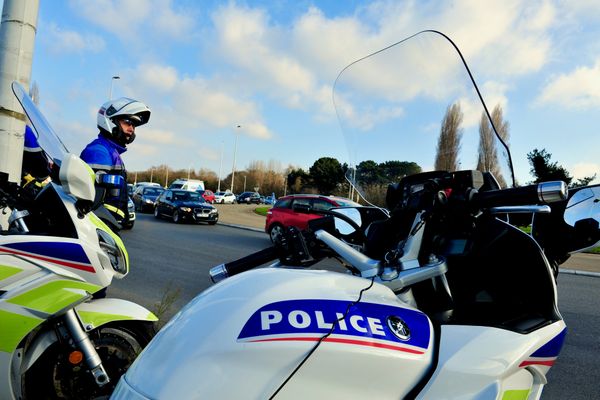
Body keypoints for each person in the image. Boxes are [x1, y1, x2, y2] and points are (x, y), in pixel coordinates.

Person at [80, 97, 151, 228]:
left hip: (108, 223)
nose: (131, 129)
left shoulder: (112, 152)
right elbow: (90, 199)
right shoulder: (99, 151)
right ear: (110, 121)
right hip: (98, 224)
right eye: (128, 122)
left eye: (134, 125)